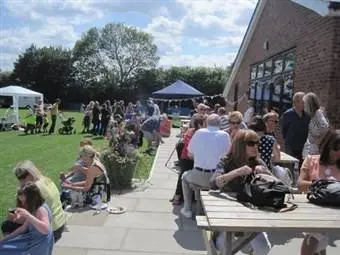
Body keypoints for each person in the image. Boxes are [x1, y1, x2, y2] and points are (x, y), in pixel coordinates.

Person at [209, 129, 272, 255]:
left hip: (252, 215)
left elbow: (275, 185)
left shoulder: (258, 162)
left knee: (263, 248)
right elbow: (213, 183)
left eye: (257, 143)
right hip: (228, 215)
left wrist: (267, 174)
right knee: (224, 248)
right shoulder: (227, 161)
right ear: (240, 145)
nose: (255, 146)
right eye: (251, 143)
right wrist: (236, 172)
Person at [298, 129, 340, 255]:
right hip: (312, 211)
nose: (338, 152)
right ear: (327, 146)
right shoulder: (311, 160)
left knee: (316, 236)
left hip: (334, 212)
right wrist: (322, 186)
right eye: (336, 148)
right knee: (316, 235)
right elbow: (300, 185)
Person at [180, 114, 231, 218]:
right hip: (216, 177)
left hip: (198, 175)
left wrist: (201, 158)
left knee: (184, 177)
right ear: (220, 124)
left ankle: (187, 209)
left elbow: (189, 154)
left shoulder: (199, 132)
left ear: (206, 123)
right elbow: (228, 155)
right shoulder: (225, 135)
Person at [13, 161, 66, 242]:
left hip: (51, 229)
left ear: (31, 173)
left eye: (23, 177)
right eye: (19, 178)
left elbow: (26, 216)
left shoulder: (34, 189)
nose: (21, 180)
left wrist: (16, 218)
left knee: (8, 226)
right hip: (60, 223)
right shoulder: (46, 180)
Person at [0, 183, 54, 254]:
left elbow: (46, 229)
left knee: (6, 250)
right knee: (4, 247)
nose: (23, 204)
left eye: (24, 201)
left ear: (32, 198)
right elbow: (23, 228)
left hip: (41, 244)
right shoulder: (34, 208)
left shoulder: (41, 209)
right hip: (34, 240)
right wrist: (7, 238)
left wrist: (28, 215)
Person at [170, 115, 206, 205]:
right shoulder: (191, 132)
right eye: (205, 124)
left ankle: (192, 197)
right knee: (183, 174)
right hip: (187, 158)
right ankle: (177, 197)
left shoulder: (203, 133)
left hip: (197, 158)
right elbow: (189, 146)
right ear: (200, 125)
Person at [281, 92, 310, 166]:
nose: (304, 104)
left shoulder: (307, 115)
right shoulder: (288, 114)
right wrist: (288, 138)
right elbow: (284, 129)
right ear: (296, 102)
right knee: (289, 165)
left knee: (303, 165)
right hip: (291, 144)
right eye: (302, 102)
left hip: (303, 145)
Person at [302, 92, 329, 158]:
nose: (304, 105)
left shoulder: (318, 113)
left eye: (305, 103)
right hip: (310, 147)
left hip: (314, 149)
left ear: (310, 104)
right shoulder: (313, 115)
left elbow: (325, 127)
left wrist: (319, 140)